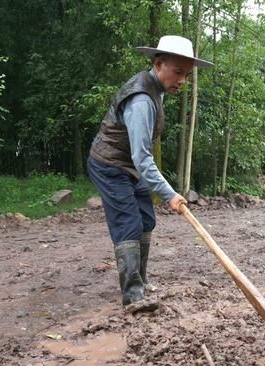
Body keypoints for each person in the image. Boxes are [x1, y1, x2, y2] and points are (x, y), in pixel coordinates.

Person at [87, 35, 213, 307]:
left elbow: (140, 157)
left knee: (146, 219)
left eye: (187, 75)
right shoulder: (142, 100)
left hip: (131, 167)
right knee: (128, 224)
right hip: (110, 165)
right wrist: (170, 194)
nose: (182, 80)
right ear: (158, 64)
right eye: (178, 72)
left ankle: (140, 280)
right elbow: (142, 156)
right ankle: (133, 297)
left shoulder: (157, 89)